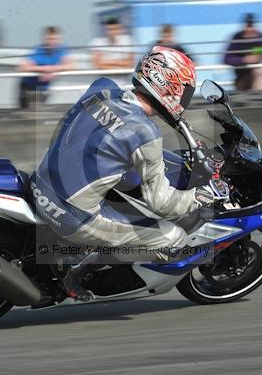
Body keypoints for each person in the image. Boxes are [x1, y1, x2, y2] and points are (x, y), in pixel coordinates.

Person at [30, 46, 229, 300]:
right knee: (174, 238)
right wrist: (202, 196)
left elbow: (70, 129)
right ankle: (78, 273)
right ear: (169, 84)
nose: (185, 99)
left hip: (41, 180)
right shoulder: (145, 132)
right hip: (71, 214)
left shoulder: (102, 87)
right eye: (185, 91)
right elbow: (162, 203)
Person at [17, 26, 74, 109]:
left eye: (55, 39)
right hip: (29, 87)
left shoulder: (61, 49)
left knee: (38, 113)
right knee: (26, 113)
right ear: (45, 39)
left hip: (43, 88)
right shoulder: (39, 50)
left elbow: (71, 65)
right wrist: (44, 70)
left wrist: (53, 69)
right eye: (50, 39)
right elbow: (22, 67)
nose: (52, 42)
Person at [223, 13, 262, 91]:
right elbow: (226, 59)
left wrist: (252, 58)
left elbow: (258, 57)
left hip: (254, 73)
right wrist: (244, 60)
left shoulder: (260, 38)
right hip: (240, 73)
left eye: (252, 25)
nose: (250, 29)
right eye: (248, 26)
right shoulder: (236, 38)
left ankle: (259, 94)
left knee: (259, 71)